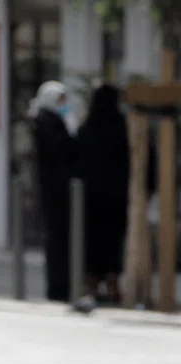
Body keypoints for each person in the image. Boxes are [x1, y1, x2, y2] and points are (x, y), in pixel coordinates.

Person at [75, 83, 129, 303]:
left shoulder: (87, 128)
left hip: (90, 195)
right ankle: (113, 285)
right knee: (113, 240)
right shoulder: (122, 127)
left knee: (92, 240)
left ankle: (91, 285)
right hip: (116, 195)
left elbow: (75, 160)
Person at [30, 81, 78, 302]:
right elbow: (61, 150)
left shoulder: (52, 119)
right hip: (53, 189)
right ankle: (58, 287)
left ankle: (64, 284)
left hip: (62, 188)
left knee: (63, 238)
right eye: (59, 100)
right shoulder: (44, 121)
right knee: (56, 238)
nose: (63, 105)